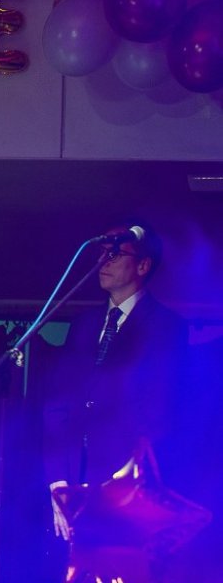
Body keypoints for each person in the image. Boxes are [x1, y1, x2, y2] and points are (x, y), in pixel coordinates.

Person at [45, 224, 188, 543]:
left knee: (119, 558)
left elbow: (165, 403)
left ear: (142, 265)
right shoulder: (83, 324)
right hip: (76, 474)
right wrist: (58, 477)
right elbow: (59, 400)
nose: (104, 261)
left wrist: (133, 470)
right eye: (102, 253)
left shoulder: (167, 326)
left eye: (115, 254)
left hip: (127, 479)